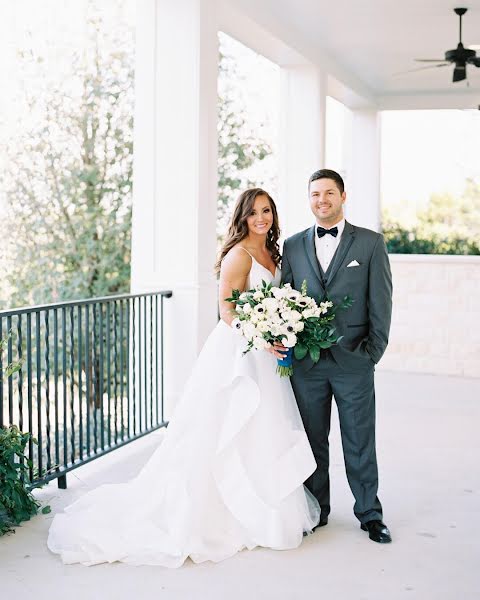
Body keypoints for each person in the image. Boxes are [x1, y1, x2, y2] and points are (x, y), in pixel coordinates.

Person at [47, 188, 320, 567]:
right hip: (242, 353)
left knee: (264, 429)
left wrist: (281, 326)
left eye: (267, 211)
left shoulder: (274, 253)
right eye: (254, 212)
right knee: (226, 429)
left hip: (268, 358)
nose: (262, 218)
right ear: (242, 217)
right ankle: (219, 513)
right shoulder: (238, 255)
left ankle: (265, 509)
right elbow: (227, 310)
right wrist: (265, 334)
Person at [280, 169, 393, 543]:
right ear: (308, 199)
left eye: (329, 193)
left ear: (343, 196)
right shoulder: (293, 246)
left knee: (360, 440)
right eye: (315, 194)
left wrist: (371, 353)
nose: (321, 200)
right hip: (306, 365)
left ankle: (370, 514)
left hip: (353, 362)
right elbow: (283, 302)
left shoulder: (371, 244)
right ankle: (317, 511)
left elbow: (381, 301)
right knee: (312, 440)